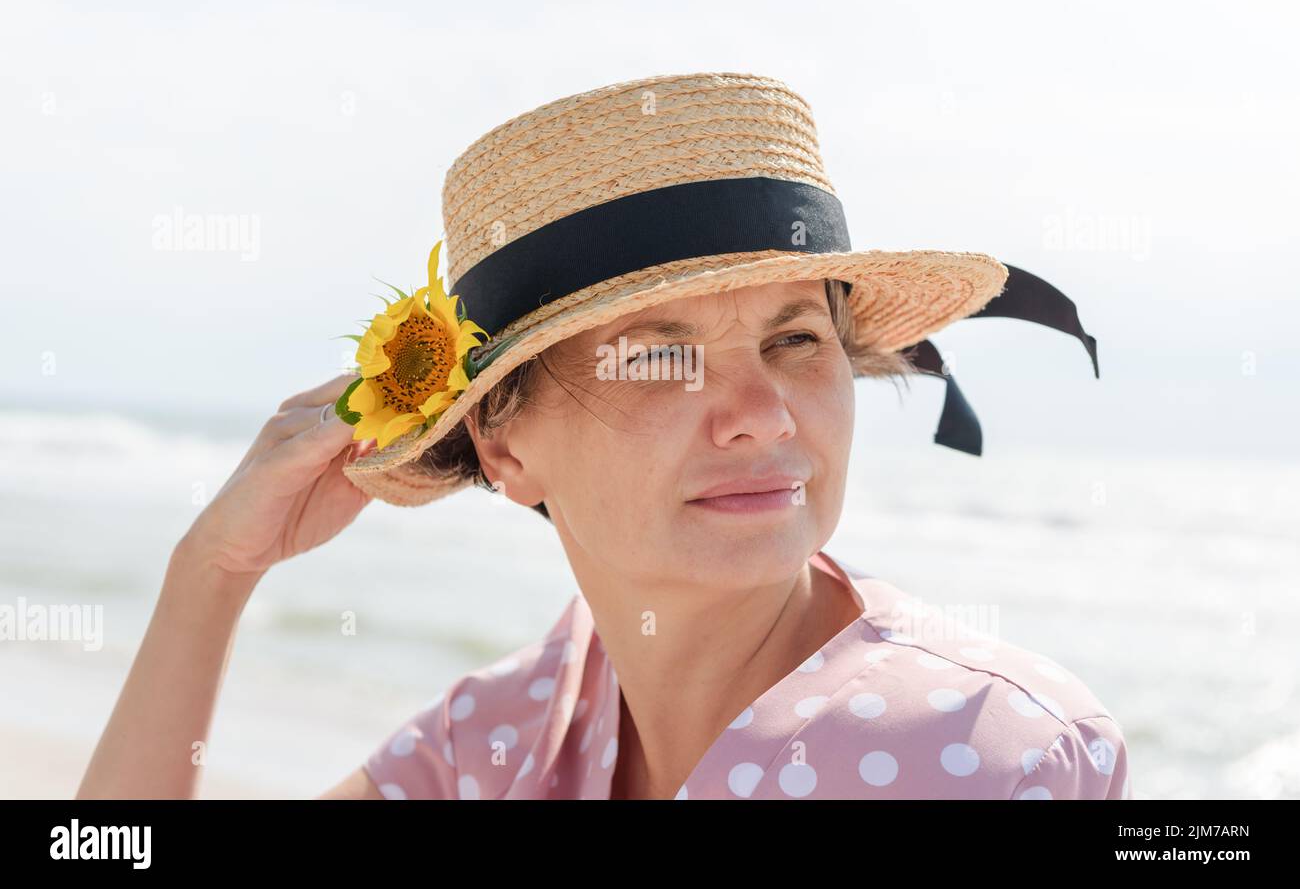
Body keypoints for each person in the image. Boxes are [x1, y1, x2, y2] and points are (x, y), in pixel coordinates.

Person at [77, 72, 1129, 800]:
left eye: (797, 338)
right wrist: (211, 571)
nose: (761, 410)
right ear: (503, 443)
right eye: (658, 354)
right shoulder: (508, 737)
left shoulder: (993, 756)